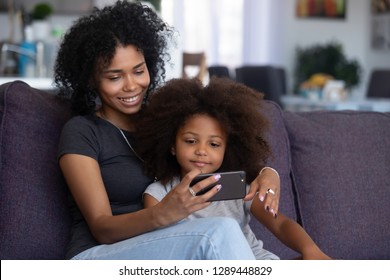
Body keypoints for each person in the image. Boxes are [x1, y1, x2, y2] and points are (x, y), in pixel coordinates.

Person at [55, 1, 280, 260]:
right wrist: (163, 213)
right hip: (98, 256)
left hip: (165, 249)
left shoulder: (166, 121)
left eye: (139, 71)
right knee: (217, 233)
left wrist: (268, 173)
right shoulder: (82, 131)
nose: (131, 86)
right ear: (91, 79)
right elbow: (102, 228)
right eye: (115, 77)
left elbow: (220, 153)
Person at [137, 77, 331, 260]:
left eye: (214, 144)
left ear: (227, 149)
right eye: (191, 141)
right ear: (171, 145)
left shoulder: (238, 188)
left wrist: (312, 251)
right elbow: (166, 250)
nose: (202, 151)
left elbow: (279, 223)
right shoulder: (158, 195)